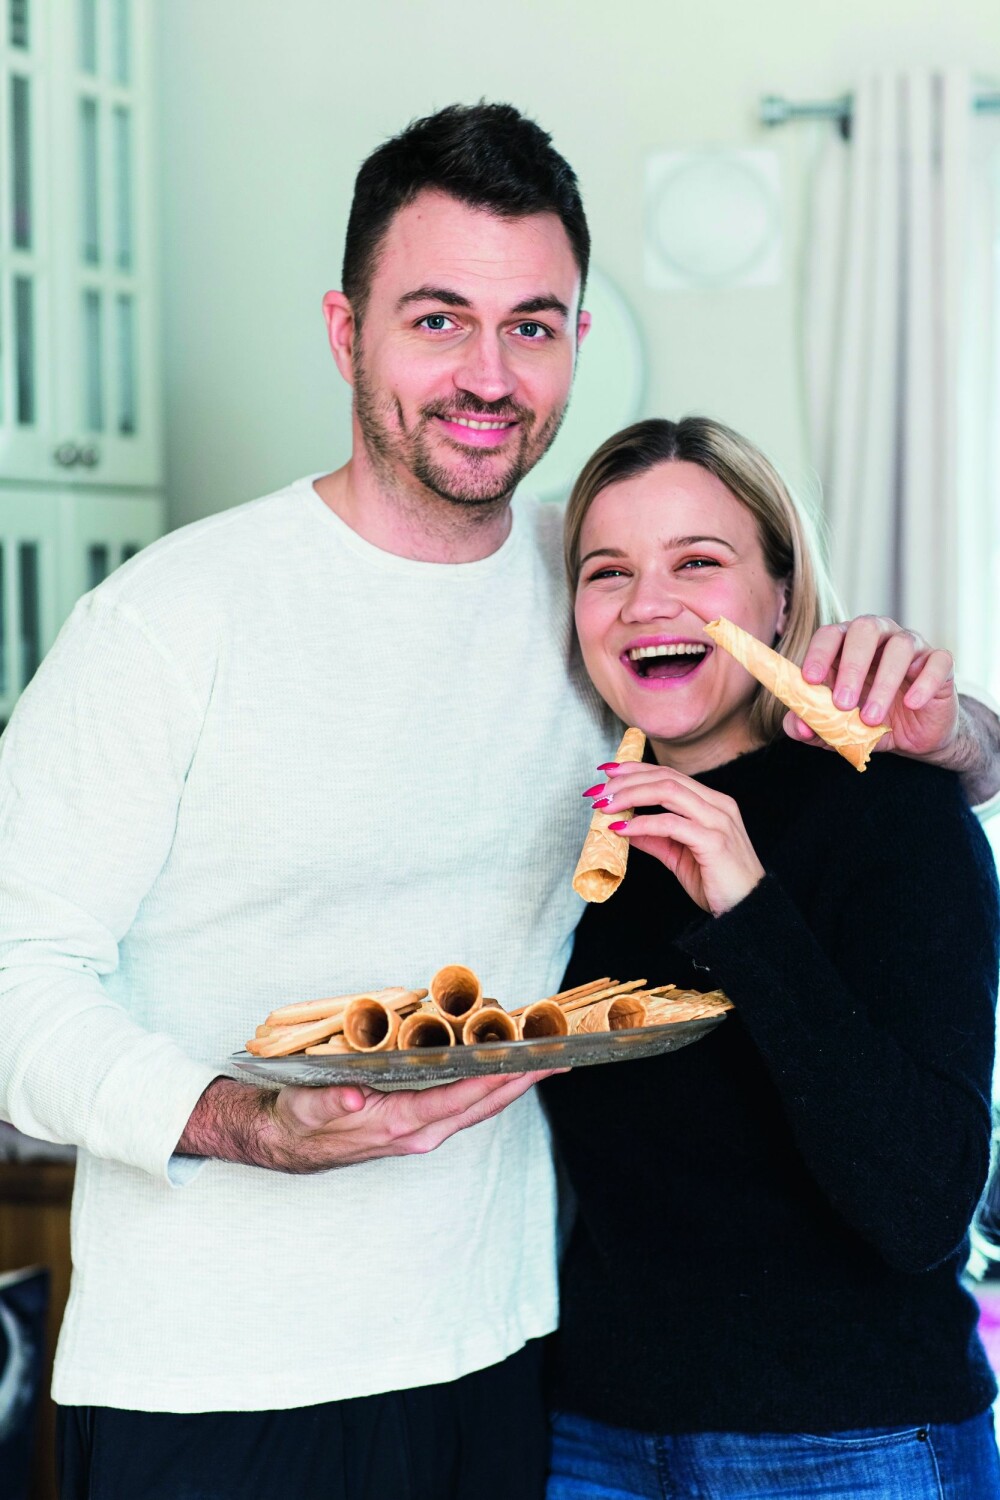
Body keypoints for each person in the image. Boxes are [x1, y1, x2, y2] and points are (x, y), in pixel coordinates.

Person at [0, 104, 995, 1500]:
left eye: (531, 323)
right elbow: (15, 977)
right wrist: (242, 1120)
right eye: (437, 319)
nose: (486, 372)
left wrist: (961, 737)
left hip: (511, 1367)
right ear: (347, 332)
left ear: (579, 342)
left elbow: (865, 771)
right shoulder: (171, 620)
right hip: (221, 1382)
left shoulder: (595, 591)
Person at [541, 416, 1000, 1499]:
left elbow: (925, 1208)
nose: (648, 602)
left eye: (697, 562)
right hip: (589, 1434)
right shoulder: (573, 818)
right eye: (608, 572)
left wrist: (745, 905)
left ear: (782, 597)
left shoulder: (899, 812)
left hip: (853, 1443)